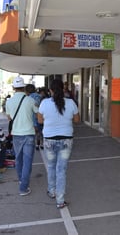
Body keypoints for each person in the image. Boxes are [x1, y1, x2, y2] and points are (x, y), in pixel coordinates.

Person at [38, 79, 80, 209]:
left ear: (50, 90)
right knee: (61, 170)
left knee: (51, 166)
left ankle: (52, 191)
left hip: (49, 139)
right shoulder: (71, 102)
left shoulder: (44, 103)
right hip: (66, 139)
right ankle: (60, 200)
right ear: (63, 89)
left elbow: (40, 120)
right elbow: (77, 120)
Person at [6, 76, 38, 196]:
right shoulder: (30, 100)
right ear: (24, 87)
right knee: (27, 161)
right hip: (29, 133)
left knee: (18, 160)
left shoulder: (9, 101)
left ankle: (21, 181)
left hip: (16, 134)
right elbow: (37, 112)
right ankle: (23, 188)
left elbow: (9, 117)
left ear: (13, 88)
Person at [25, 84, 43, 150]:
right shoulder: (39, 96)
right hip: (40, 116)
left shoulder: (28, 98)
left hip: (32, 117)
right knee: (40, 131)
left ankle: (36, 144)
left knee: (34, 133)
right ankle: (41, 143)